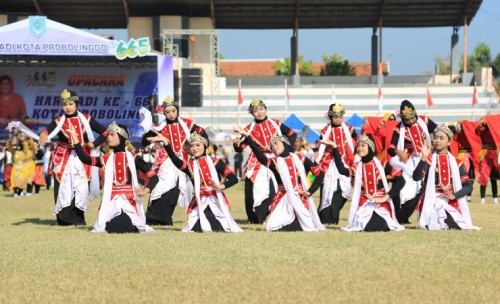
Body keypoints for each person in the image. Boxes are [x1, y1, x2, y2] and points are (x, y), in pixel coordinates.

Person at [68, 121, 158, 233]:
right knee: (114, 226)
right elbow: (85, 159)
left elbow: (154, 177)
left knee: (125, 225)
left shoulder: (134, 158)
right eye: (108, 135)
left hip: (130, 202)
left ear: (122, 137)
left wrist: (145, 190)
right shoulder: (105, 159)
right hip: (111, 203)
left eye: (112, 135)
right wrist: (75, 138)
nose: (108, 137)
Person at [38, 89, 108, 226]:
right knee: (63, 186)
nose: (68, 107)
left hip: (82, 157)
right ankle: (63, 219)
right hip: (63, 157)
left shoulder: (87, 119)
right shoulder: (58, 121)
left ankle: (78, 218)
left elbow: (105, 132)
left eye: (70, 104)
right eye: (64, 105)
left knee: (80, 187)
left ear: (76, 103)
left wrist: (93, 144)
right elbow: (46, 131)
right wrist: (43, 134)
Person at [149, 131, 242, 233]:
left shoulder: (216, 162)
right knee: (197, 227)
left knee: (219, 226)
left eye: (198, 145)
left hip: (216, 200)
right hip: (200, 200)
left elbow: (234, 178)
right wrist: (166, 143)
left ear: (205, 146)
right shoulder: (190, 166)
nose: (195, 148)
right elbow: (175, 160)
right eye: (192, 146)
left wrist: (220, 186)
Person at [236, 128, 325, 232]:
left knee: (304, 223)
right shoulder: (274, 162)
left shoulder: (302, 159)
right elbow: (260, 156)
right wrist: (248, 138)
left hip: (300, 197)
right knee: (274, 227)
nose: (273, 146)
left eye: (276, 143)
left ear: (285, 143)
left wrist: (309, 191)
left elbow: (320, 174)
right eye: (272, 146)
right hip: (282, 198)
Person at [140, 97, 207, 226]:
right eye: (168, 112)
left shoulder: (188, 124)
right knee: (161, 187)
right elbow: (145, 142)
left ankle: (167, 217)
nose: (171, 114)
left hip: (183, 161)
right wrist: (147, 130)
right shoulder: (160, 127)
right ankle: (153, 217)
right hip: (165, 162)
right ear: (164, 113)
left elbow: (202, 133)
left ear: (177, 110)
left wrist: (199, 149)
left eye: (173, 111)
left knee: (175, 190)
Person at [233, 98, 297, 224]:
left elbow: (292, 134)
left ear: (265, 109)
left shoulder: (276, 123)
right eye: (255, 111)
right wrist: (236, 144)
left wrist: (287, 149)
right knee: (251, 190)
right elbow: (240, 148)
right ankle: (254, 218)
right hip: (256, 160)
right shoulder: (248, 129)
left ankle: (272, 213)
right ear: (252, 113)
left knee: (276, 187)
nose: (259, 112)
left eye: (261, 109)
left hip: (275, 158)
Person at [413, 124, 480, 230]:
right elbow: (416, 177)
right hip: (431, 201)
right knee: (433, 223)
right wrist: (423, 159)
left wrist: (454, 195)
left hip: (450, 202)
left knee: (455, 224)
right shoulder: (428, 159)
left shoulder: (457, 162)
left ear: (449, 142)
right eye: (435, 138)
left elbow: (468, 185)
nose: (437, 141)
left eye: (441, 138)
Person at [340, 134, 405, 232]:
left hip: (382, 204)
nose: (359, 148)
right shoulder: (356, 167)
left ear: (370, 147)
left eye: (363, 145)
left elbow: (401, 180)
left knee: (382, 225)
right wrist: (335, 148)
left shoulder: (383, 164)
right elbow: (342, 170)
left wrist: (385, 197)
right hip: (363, 204)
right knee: (366, 225)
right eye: (358, 145)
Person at [387, 100, 437, 224]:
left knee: (424, 186)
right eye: (407, 119)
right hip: (408, 160)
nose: (410, 121)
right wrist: (399, 152)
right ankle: (400, 215)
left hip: (426, 156)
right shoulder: (399, 128)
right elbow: (391, 148)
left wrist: (433, 144)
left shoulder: (424, 120)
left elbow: (437, 130)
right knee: (406, 188)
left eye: (412, 118)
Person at [316, 103, 358, 225]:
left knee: (344, 191)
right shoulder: (325, 131)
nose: (338, 119)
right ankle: (325, 220)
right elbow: (320, 147)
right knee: (327, 192)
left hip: (345, 162)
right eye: (335, 117)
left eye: (340, 116)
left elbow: (356, 142)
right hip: (329, 164)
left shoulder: (349, 129)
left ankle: (331, 217)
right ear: (330, 117)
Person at [476, 116, 499, 205]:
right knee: (483, 177)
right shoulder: (482, 130)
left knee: (493, 178)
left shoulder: (495, 130)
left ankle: (495, 198)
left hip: (494, 153)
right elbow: (476, 131)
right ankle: (482, 198)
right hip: (485, 153)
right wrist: (481, 123)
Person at [6, 133, 35, 197]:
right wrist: (10, 141)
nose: (18, 147)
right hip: (15, 168)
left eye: (20, 146)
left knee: (23, 181)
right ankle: (16, 193)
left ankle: (22, 192)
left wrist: (25, 140)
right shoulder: (14, 151)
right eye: (17, 146)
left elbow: (27, 146)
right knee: (15, 181)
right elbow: (9, 147)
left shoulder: (25, 151)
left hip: (22, 168)